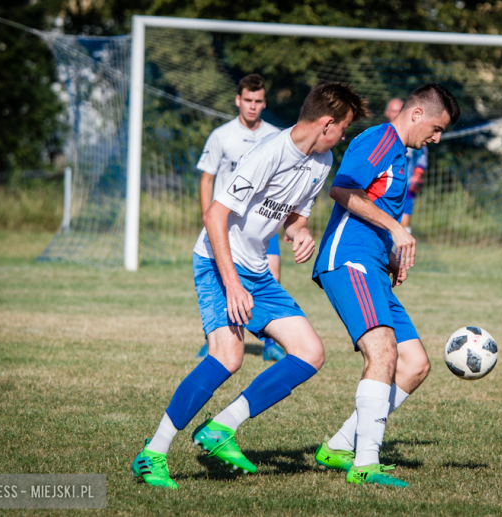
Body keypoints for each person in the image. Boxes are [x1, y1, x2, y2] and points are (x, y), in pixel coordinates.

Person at [131, 82, 370, 490]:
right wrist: (233, 285)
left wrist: (301, 233)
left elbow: (292, 215)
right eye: (343, 127)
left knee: (310, 353)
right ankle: (152, 454)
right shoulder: (268, 153)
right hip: (218, 261)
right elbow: (214, 216)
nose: (344, 136)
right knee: (228, 356)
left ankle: (221, 427)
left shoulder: (322, 159)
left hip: (256, 270)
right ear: (327, 122)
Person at [311, 84, 460, 487]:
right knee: (383, 354)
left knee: (414, 365)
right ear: (416, 114)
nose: (437, 138)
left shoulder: (402, 153)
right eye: (436, 128)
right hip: (348, 260)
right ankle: (365, 464)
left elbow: (377, 204)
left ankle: (340, 446)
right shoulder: (380, 139)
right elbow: (342, 189)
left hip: (374, 266)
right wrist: (396, 229)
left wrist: (392, 254)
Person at [196, 74, 285, 361]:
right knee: (224, 281)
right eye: (247, 100)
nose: (252, 106)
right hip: (228, 225)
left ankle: (270, 341)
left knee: (271, 278)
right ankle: (215, 336)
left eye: (258, 101)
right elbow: (206, 179)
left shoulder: (276, 136)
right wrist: (206, 216)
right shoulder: (221, 135)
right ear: (238, 100)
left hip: (261, 225)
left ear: (264, 103)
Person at [384, 98, 428, 235]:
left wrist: (418, 174)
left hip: (406, 184)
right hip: (384, 186)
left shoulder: (412, 133)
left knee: (404, 222)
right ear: (387, 113)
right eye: (393, 111)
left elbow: (423, 155)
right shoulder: (381, 134)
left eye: (400, 110)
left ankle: (402, 255)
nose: (397, 114)